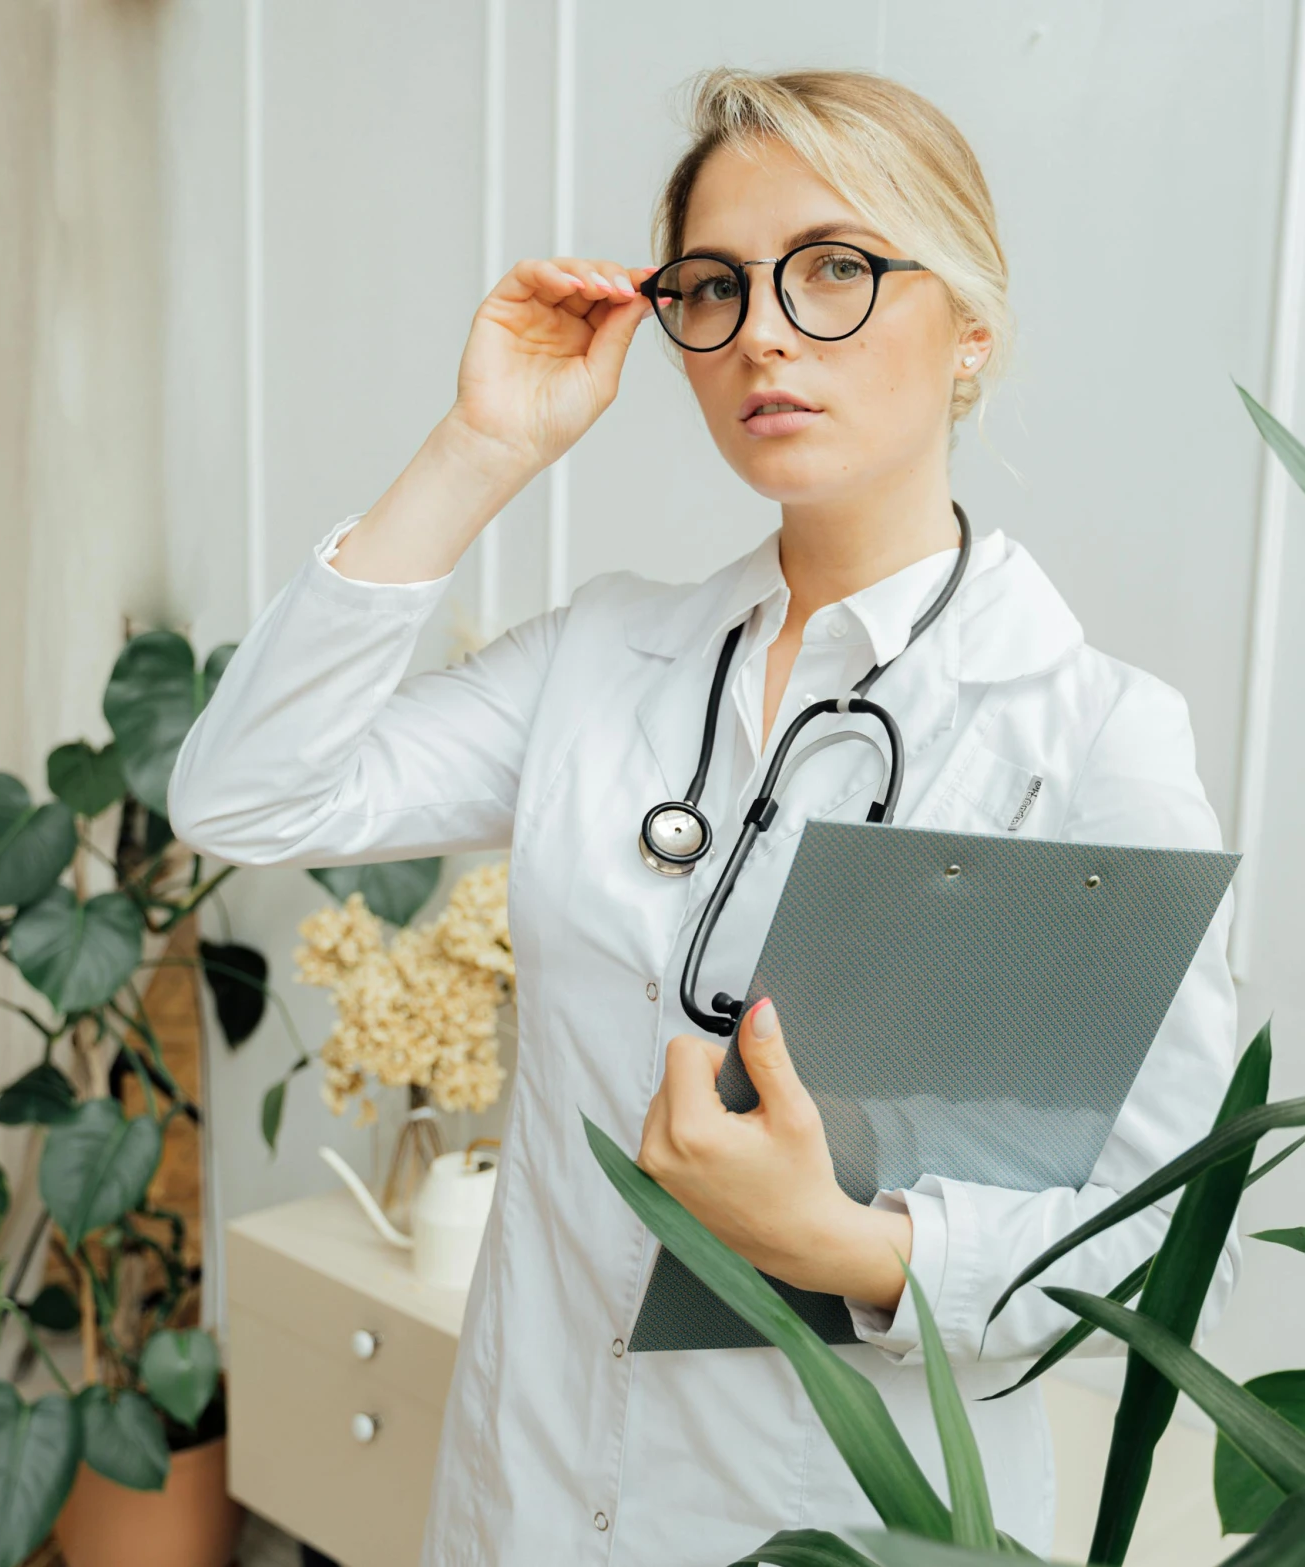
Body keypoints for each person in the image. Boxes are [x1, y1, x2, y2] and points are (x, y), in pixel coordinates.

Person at [169, 65, 1240, 1565]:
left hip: (841, 1515)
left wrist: (851, 1248)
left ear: (971, 330)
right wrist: (482, 447)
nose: (764, 335)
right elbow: (245, 792)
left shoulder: (1091, 740)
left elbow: (1150, 1227)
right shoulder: (605, 658)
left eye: (836, 271)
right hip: (527, 1490)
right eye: (715, 288)